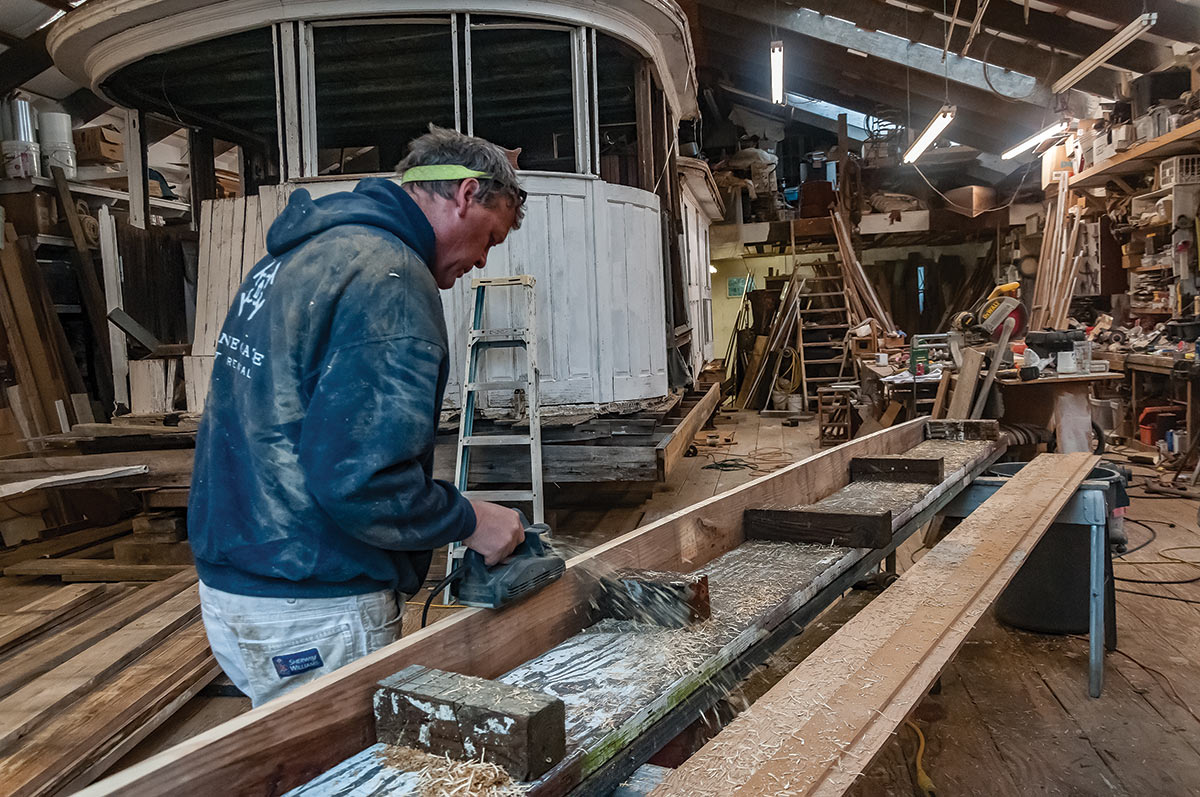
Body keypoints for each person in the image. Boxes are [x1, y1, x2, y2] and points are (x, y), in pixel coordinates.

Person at [188, 127, 528, 707]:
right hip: (317, 599)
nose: (480, 260)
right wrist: (471, 519)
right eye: (490, 238)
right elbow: (363, 480)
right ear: (467, 195)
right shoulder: (390, 278)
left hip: (238, 586)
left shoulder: (296, 256)